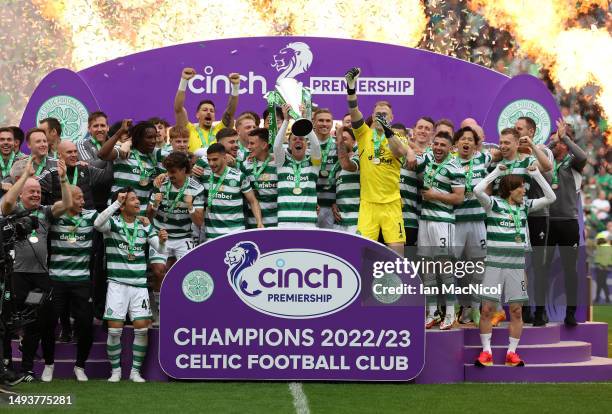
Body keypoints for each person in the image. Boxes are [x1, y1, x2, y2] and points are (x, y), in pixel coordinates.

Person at [473, 164, 556, 367]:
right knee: (487, 310)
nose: (524, 190)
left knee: (517, 311)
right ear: (510, 189)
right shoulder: (493, 204)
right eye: (520, 187)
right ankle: (486, 352)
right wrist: (497, 173)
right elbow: (477, 190)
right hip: (494, 265)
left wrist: (536, 174)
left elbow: (551, 198)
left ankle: (511, 353)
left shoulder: (524, 206)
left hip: (516, 267)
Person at [0, 158, 72, 382]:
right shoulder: (14, 211)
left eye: (38, 191)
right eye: (30, 191)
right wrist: (24, 177)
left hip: (39, 278)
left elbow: (67, 205)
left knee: (32, 321)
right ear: (21, 193)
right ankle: (6, 368)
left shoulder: (46, 212)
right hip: (15, 277)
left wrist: (63, 178)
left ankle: (28, 369)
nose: (35, 195)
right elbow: (6, 204)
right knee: (8, 322)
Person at [94, 188, 168, 383]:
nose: (138, 202)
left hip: (139, 285)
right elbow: (97, 223)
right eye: (133, 199)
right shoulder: (113, 223)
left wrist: (161, 241)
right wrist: (116, 203)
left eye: (137, 199)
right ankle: (116, 371)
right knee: (115, 329)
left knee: (142, 328)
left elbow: (160, 249)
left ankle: (135, 372)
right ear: (122, 203)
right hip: (117, 284)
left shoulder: (144, 225)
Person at [344, 67, 409, 256]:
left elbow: (400, 152)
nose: (381, 117)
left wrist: (387, 130)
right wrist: (351, 87)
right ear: (372, 116)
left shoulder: (399, 138)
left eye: (385, 115)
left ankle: (398, 284)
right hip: (368, 205)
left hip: (391, 205)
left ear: (392, 118)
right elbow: (353, 110)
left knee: (397, 255)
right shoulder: (364, 134)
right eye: (378, 114)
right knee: (362, 253)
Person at [411, 131, 466, 330]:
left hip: (443, 222)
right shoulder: (427, 159)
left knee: (445, 269)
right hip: (425, 220)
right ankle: (432, 312)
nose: (438, 148)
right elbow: (412, 155)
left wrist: (434, 196)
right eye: (436, 144)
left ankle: (450, 313)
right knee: (427, 269)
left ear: (451, 149)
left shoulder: (455, 167)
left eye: (443, 145)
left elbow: (459, 197)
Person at [48, 186, 98, 381]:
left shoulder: (91, 216)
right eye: (78, 198)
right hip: (56, 280)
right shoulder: (53, 216)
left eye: (83, 198)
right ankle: (49, 365)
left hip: (81, 281)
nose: (83, 202)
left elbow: (111, 220)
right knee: (49, 323)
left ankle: (80, 366)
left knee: (86, 324)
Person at [540, 119, 588, 326]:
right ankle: (539, 312)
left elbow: (583, 156)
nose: (557, 144)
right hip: (547, 221)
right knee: (542, 267)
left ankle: (570, 312)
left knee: (570, 269)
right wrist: (552, 143)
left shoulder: (572, 161)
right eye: (555, 141)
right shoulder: (544, 162)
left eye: (559, 142)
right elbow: (539, 152)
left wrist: (565, 138)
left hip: (568, 222)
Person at [147, 152, 204, 315]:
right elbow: (149, 216)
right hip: (160, 234)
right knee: (158, 271)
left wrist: (190, 207)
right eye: (168, 171)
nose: (169, 175)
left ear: (184, 171)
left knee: (186, 273)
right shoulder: (161, 183)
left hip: (184, 236)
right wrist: (155, 205)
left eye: (173, 172)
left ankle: (183, 309)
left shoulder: (196, 188)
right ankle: (159, 311)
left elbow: (199, 222)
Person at [514, 116, 553, 324]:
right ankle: (525, 308)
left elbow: (546, 168)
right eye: (515, 128)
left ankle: (540, 310)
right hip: (518, 216)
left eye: (519, 129)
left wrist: (531, 148)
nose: (516, 131)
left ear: (530, 132)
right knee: (520, 266)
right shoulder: (513, 154)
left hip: (537, 215)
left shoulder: (543, 151)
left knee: (538, 265)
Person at [453, 126, 491, 325]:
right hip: (456, 222)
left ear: (475, 144)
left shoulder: (483, 159)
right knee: (451, 267)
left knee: (479, 268)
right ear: (456, 143)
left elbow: (502, 153)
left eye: (470, 139)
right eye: (462, 139)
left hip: (477, 221)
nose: (466, 142)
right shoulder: (450, 163)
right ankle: (455, 308)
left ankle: (476, 309)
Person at [99, 120, 163, 215]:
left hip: (140, 216)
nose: (153, 141)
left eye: (155, 137)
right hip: (117, 212)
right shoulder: (124, 150)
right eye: (149, 137)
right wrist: (120, 132)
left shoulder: (157, 155)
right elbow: (102, 154)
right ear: (138, 138)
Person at [274, 105, 322, 228]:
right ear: (289, 145)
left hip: (309, 223)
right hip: (285, 223)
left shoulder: (314, 164)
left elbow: (316, 146)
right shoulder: (281, 163)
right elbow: (276, 146)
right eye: (294, 139)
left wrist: (304, 120)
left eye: (302, 139)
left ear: (306, 144)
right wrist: (286, 120)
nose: (298, 141)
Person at [203, 143, 263, 238]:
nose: (211, 163)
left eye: (215, 159)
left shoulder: (239, 176)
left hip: (235, 232)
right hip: (212, 235)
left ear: (224, 157)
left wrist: (259, 222)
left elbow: (253, 201)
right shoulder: (204, 176)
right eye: (209, 160)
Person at [174, 68, 240, 153]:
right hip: (194, 165)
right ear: (197, 114)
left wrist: (235, 87)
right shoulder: (188, 129)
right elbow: (178, 109)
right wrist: (184, 81)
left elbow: (230, 112)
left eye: (212, 111)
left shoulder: (220, 130)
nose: (209, 112)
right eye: (205, 110)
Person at [243, 128, 278, 228]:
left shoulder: (278, 164)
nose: (248, 147)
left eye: (252, 143)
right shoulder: (245, 165)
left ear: (264, 145)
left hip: (277, 223)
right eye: (248, 143)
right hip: (253, 224)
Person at [312, 109, 338, 229]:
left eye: (328, 121)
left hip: (333, 206)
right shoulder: (306, 145)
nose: (324, 124)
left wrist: (338, 201)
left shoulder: (338, 146)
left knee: (331, 245)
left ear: (332, 123)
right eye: (321, 120)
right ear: (313, 122)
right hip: (312, 205)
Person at [332, 125, 360, 233]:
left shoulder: (358, 158)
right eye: (339, 139)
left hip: (356, 220)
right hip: (339, 221)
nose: (340, 142)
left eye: (344, 139)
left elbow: (347, 165)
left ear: (354, 142)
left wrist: (339, 137)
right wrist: (334, 204)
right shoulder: (336, 165)